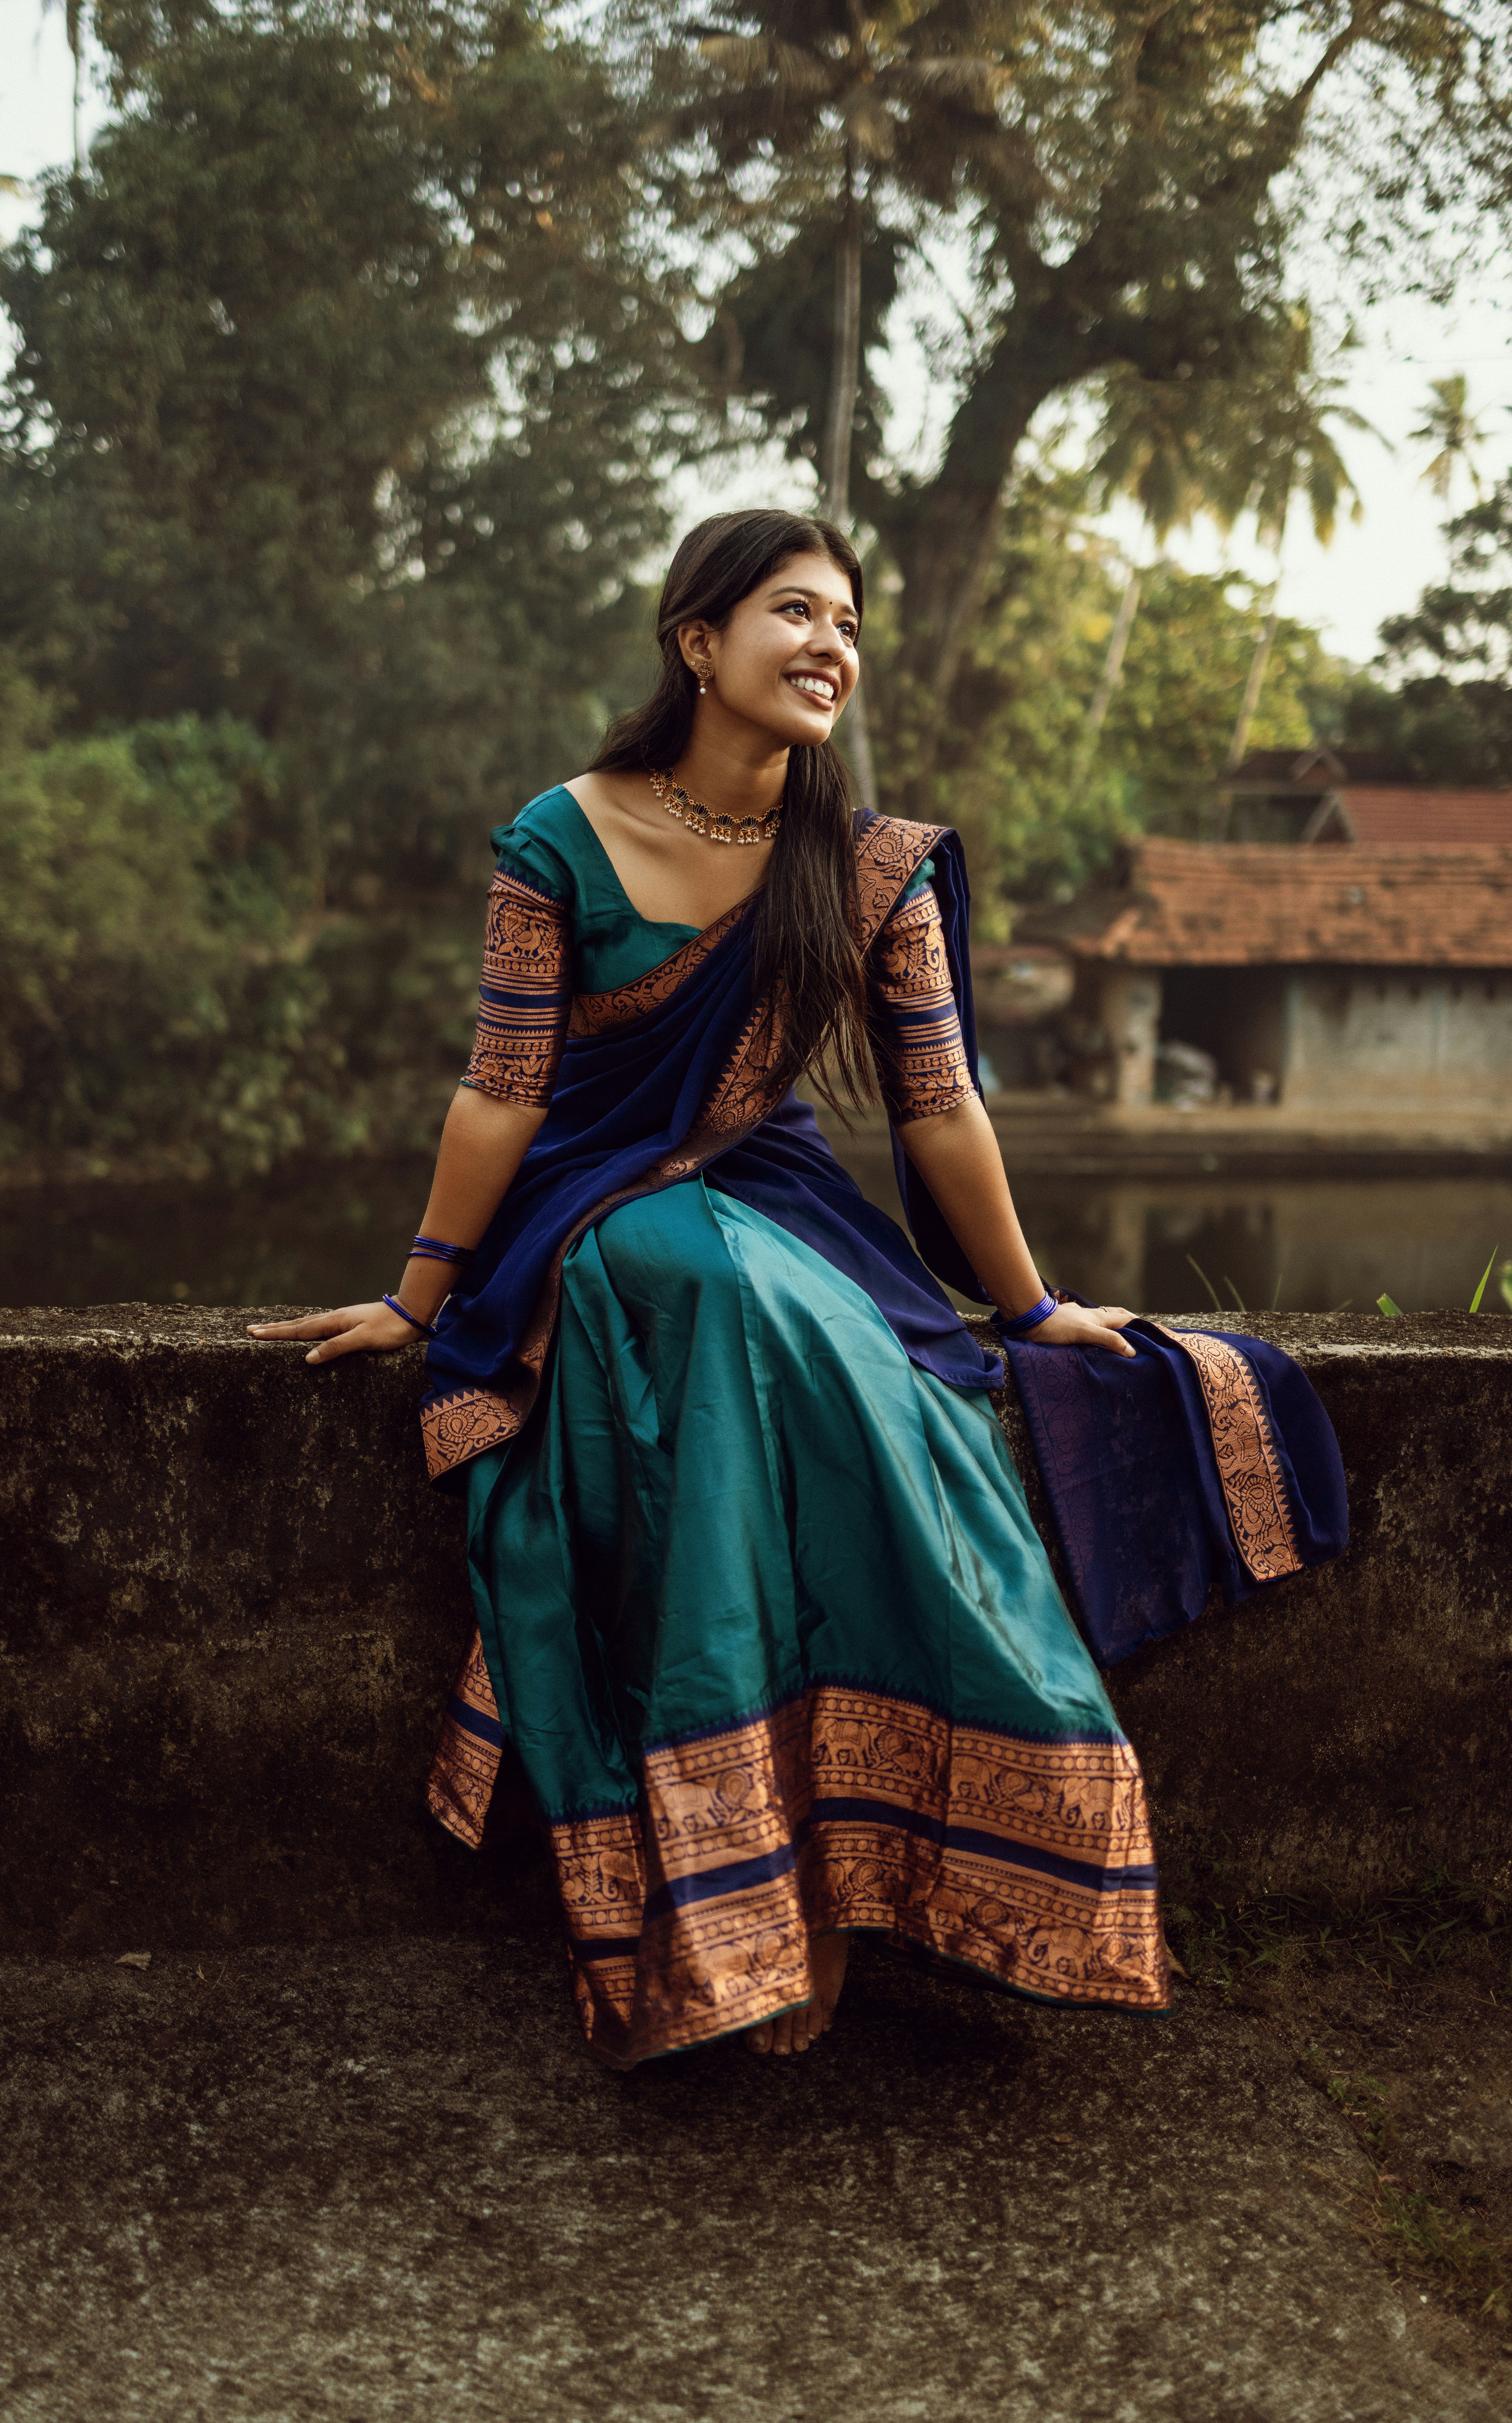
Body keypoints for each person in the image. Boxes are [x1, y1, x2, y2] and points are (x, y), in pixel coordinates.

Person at [250, 508, 1170, 2069]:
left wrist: (1027, 1312)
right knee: (721, 1302)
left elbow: (939, 1106)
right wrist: (416, 1303)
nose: (831, 648)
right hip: (592, 1204)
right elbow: (501, 1091)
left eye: (849, 624)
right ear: (698, 641)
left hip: (779, 1189)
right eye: (795, 613)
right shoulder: (561, 834)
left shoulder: (868, 867)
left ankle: (865, 1867)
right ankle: (743, 1897)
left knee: (890, 1397)